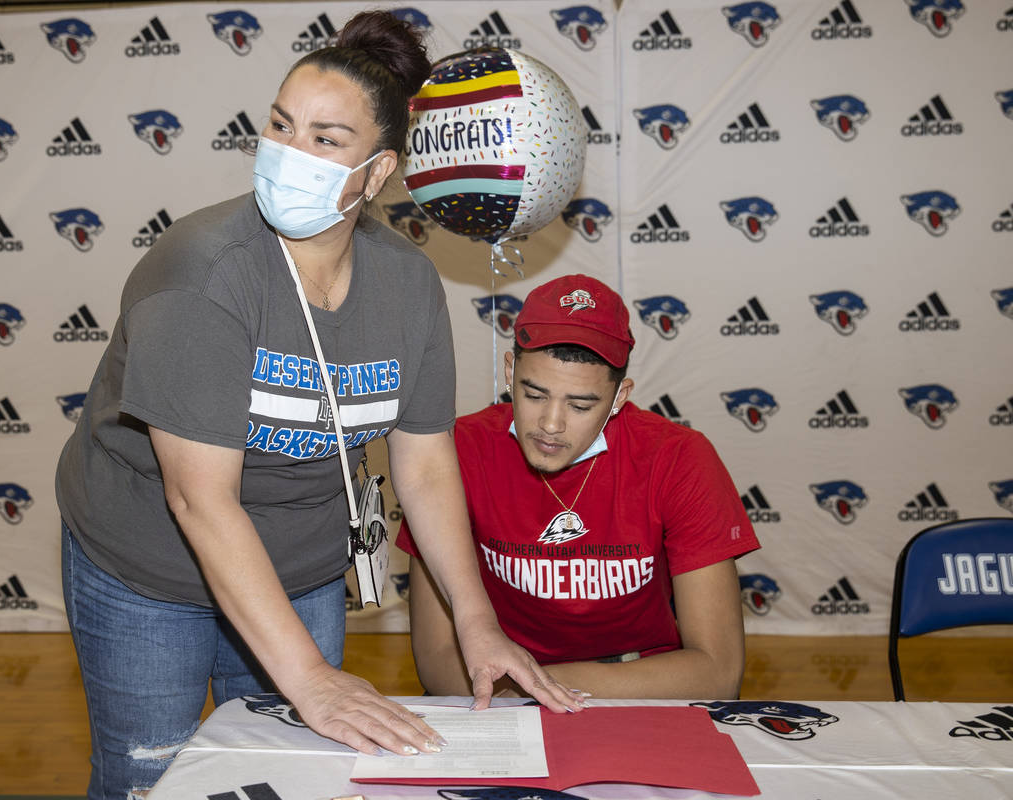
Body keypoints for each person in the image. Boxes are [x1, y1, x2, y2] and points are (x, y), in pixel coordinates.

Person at [54, 12, 581, 800]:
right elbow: (199, 500)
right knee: (151, 780)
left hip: (300, 564)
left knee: (289, 778)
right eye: (280, 124)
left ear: (377, 173)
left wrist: (477, 622)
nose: (288, 153)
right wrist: (313, 679)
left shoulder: (406, 284)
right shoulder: (203, 272)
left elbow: (427, 465)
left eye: (327, 139)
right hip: (148, 569)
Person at [398, 274, 760, 699]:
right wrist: (531, 692)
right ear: (511, 370)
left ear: (619, 397)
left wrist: (539, 688)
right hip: (499, 693)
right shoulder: (458, 451)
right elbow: (436, 659)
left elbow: (719, 672)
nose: (551, 424)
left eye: (581, 404)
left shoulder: (679, 458)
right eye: (533, 394)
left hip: (635, 689)